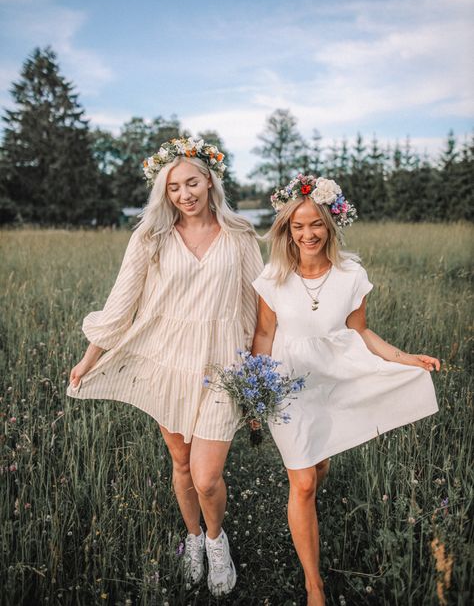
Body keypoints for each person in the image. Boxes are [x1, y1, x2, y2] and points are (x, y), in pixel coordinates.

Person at [67, 137, 263, 597]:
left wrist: (255, 370)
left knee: (206, 475)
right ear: (164, 192)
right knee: (180, 461)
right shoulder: (150, 237)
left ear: (210, 179)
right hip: (166, 360)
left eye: (191, 182)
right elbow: (122, 304)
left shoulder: (240, 233)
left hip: (224, 364)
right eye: (173, 188)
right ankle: (193, 536)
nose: (184, 194)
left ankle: (217, 542)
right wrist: (89, 357)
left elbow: (257, 304)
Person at [251, 174, 439, 606]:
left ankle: (320, 465)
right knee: (301, 481)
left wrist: (406, 358)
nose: (308, 234)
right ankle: (313, 583)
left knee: (317, 470)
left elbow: (362, 333)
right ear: (287, 229)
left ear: (331, 224)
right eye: (298, 226)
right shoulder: (273, 276)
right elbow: (263, 335)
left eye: (315, 224)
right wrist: (257, 393)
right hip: (287, 379)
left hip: (336, 375)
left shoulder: (351, 274)